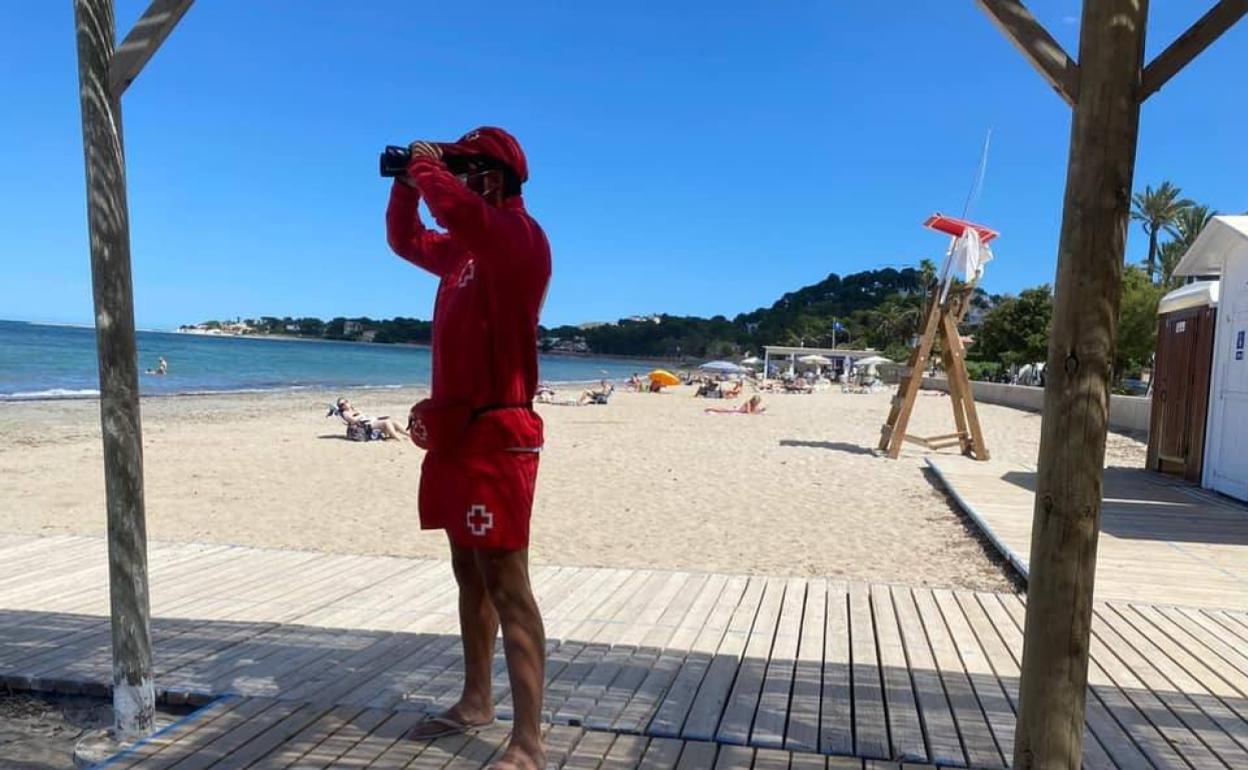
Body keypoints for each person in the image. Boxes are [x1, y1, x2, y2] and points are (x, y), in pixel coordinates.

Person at [386, 126, 550, 770]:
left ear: (496, 176)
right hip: (455, 434)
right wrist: (406, 186)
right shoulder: (462, 254)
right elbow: (405, 240)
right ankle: (477, 700)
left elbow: (455, 208)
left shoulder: (517, 238)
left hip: (499, 435)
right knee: (467, 574)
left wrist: (429, 171)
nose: (452, 175)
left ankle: (529, 741)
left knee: (508, 584)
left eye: (463, 166)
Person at [333, 397, 409, 441]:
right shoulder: (345, 413)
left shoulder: (353, 410)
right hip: (365, 426)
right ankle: (397, 438)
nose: (345, 404)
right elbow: (353, 420)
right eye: (342, 404)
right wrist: (361, 415)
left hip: (370, 421)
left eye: (346, 402)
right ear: (340, 407)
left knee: (394, 422)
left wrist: (362, 415)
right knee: (386, 422)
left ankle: (409, 435)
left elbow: (363, 415)